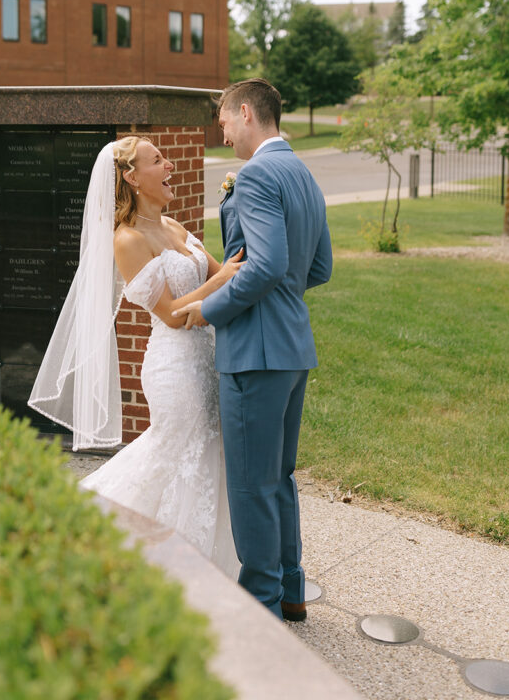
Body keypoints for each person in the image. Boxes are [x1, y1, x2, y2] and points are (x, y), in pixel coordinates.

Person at [28, 135, 243, 575]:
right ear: (131, 177)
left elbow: (231, 274)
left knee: (207, 456)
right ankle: (118, 541)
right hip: (174, 368)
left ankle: (200, 557)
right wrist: (225, 280)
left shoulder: (177, 229)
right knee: (177, 454)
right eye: (158, 160)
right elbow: (170, 315)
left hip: (209, 360)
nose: (170, 168)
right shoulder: (126, 240)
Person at [173, 78, 333, 621]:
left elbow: (263, 265)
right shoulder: (302, 172)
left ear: (245, 113)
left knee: (249, 485)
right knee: (278, 478)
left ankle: (259, 606)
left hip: (255, 355)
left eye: (223, 123)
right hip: (293, 349)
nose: (222, 134)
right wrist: (279, 300)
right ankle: (291, 589)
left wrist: (208, 309)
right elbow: (318, 268)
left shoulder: (260, 173)